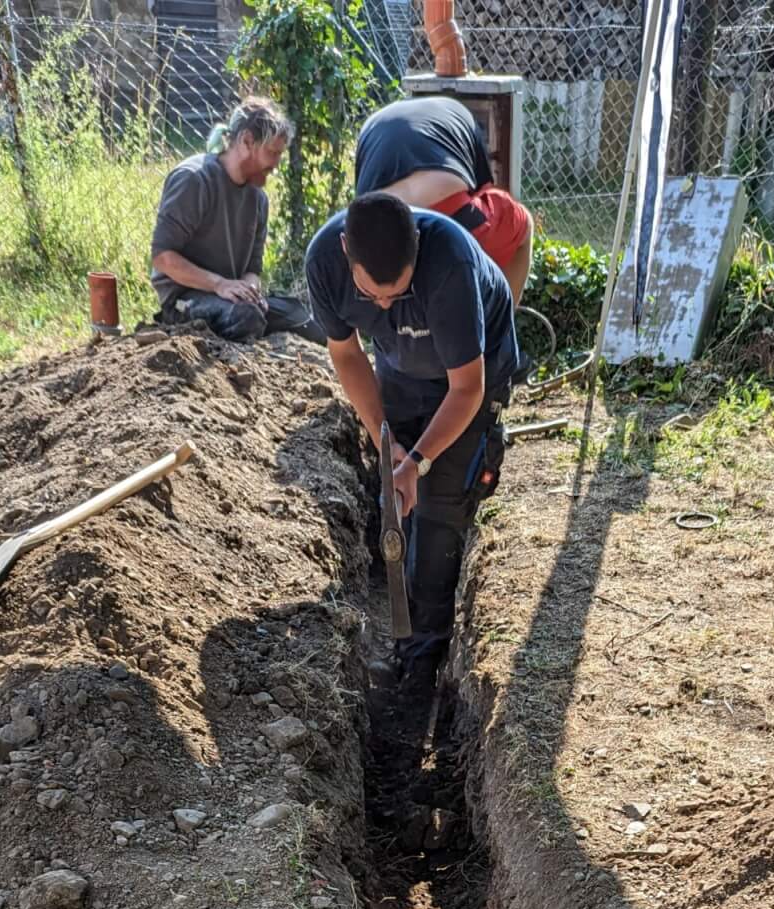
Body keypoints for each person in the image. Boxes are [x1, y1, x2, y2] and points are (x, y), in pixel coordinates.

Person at [305, 192, 516, 689]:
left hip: (471, 374)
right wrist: (388, 445)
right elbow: (348, 355)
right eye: (371, 294)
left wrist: (418, 461)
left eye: (396, 294)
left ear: (416, 248)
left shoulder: (449, 264)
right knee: (399, 504)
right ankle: (403, 640)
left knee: (440, 507)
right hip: (400, 369)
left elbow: (466, 388)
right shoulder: (324, 263)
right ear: (346, 250)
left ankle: (424, 665)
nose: (382, 304)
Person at [150, 98, 323, 344]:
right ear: (246, 141)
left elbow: (252, 268)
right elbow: (163, 257)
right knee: (246, 317)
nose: (276, 164)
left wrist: (251, 291)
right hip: (185, 300)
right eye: (272, 153)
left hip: (230, 297)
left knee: (308, 320)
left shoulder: (259, 199)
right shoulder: (194, 179)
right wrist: (219, 284)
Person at [354, 94, 533, 303]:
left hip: (381, 210)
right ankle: (501, 319)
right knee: (523, 227)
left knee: (384, 284)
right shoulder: (461, 116)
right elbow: (487, 194)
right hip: (446, 203)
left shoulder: (373, 124)